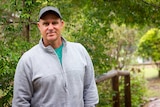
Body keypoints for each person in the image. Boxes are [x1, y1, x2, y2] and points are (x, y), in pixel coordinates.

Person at [12, 6, 99, 107]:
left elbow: (89, 89)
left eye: (54, 23)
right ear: (39, 26)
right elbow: (20, 102)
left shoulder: (80, 51)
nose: (50, 28)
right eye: (46, 24)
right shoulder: (28, 60)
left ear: (61, 24)